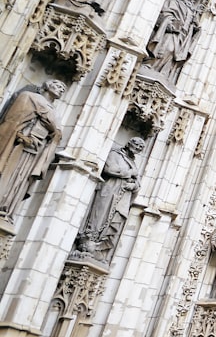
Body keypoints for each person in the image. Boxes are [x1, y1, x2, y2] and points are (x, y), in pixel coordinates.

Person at [0, 80, 65, 220]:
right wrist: (20, 135)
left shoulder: (55, 112)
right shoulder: (28, 97)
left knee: (19, 180)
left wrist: (52, 129)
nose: (61, 89)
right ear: (47, 86)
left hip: (35, 151)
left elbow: (57, 134)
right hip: (18, 145)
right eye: (58, 85)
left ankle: (6, 209)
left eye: (63, 89)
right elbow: (12, 119)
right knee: (7, 174)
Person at [75, 136, 146, 261]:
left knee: (115, 220)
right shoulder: (115, 154)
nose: (137, 149)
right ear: (129, 144)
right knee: (99, 216)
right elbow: (109, 169)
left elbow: (137, 183)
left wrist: (133, 186)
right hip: (109, 190)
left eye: (140, 149)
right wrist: (129, 173)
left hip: (123, 195)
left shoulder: (133, 163)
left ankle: (100, 247)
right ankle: (88, 241)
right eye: (136, 146)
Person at [143, 0, 203, 85]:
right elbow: (165, 13)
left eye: (193, 0)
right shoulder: (174, 1)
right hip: (172, 32)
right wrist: (170, 24)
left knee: (174, 57)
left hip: (183, 37)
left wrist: (196, 25)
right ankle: (151, 65)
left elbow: (195, 27)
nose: (191, 1)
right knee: (167, 49)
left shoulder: (192, 12)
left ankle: (163, 73)